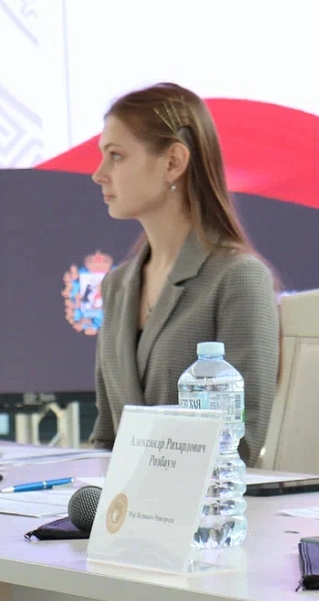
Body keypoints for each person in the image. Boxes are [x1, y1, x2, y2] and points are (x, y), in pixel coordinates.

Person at [89, 83, 279, 465]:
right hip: (123, 501)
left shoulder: (239, 279)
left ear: (173, 162)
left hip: (208, 501)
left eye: (116, 156)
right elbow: (106, 437)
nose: (99, 174)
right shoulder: (117, 286)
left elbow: (240, 445)